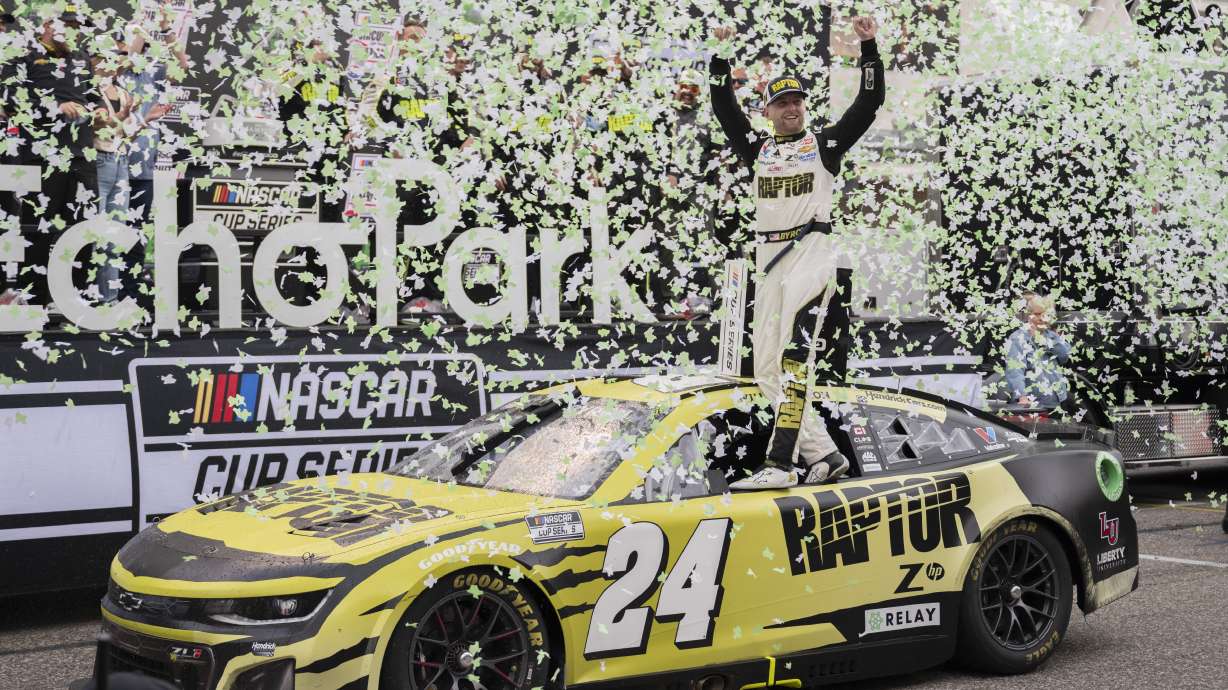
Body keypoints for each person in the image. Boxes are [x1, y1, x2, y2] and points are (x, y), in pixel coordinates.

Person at [709, 16, 885, 489]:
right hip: (767, 262)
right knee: (765, 367)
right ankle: (825, 453)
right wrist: (719, 55)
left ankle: (780, 464)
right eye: (781, 103)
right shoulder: (758, 149)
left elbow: (869, 103)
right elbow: (723, 108)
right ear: (767, 111)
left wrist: (868, 45)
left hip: (812, 253)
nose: (791, 108)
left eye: (797, 101)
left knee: (792, 360)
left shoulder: (824, 143)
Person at [17, 4, 99, 304]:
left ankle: (76, 300)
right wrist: (54, 108)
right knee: (39, 230)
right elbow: (13, 102)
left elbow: (90, 97)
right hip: (44, 157)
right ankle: (34, 299)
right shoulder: (25, 56)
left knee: (83, 228)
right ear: (48, 24)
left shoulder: (82, 60)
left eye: (77, 25)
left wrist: (98, 112)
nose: (73, 29)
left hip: (82, 155)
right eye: (68, 23)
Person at [1004, 292, 1073, 410]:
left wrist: (1053, 340)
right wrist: (1022, 397)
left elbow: (1064, 357)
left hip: (1058, 399)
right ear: (1028, 315)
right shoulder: (1018, 338)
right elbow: (1014, 371)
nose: (1041, 318)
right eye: (1037, 314)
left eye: (1045, 315)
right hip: (1034, 404)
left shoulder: (1051, 335)